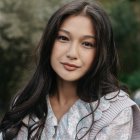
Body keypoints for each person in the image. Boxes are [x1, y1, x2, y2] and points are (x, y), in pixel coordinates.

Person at [0, 0, 140, 139]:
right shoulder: (26, 101)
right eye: (63, 38)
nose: (72, 53)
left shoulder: (116, 111)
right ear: (49, 42)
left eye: (87, 44)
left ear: (101, 53)